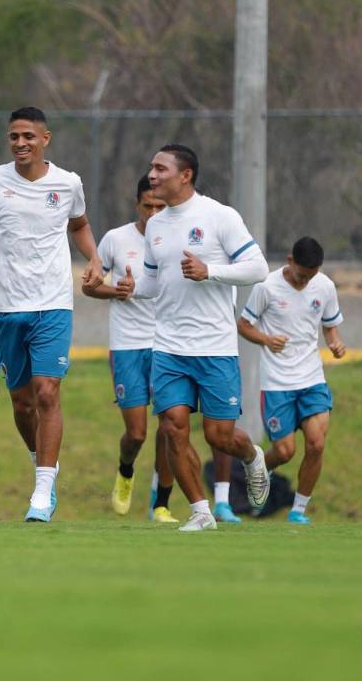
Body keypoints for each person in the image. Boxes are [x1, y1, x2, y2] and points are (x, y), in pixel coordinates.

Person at [118, 144, 272, 532]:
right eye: (151, 167)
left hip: (215, 347)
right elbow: (155, 283)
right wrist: (131, 287)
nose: (152, 175)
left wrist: (211, 271)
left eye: (160, 168)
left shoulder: (220, 216)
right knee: (172, 427)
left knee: (220, 436)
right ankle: (201, 511)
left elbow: (258, 268)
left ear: (185, 175)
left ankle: (252, 456)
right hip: (168, 346)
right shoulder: (155, 225)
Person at [0, 107, 103, 523]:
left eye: (28, 136)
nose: (20, 143)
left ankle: (42, 490)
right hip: (5, 306)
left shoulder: (68, 182)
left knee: (47, 393)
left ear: (46, 139)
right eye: (13, 137)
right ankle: (41, 461)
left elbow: (79, 226)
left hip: (53, 303)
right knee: (23, 404)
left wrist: (93, 258)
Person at [82, 174, 179, 523]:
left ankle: (161, 503)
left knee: (170, 425)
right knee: (137, 432)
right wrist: (116, 291)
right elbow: (90, 287)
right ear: (137, 204)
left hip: (169, 344)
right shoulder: (115, 240)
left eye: (160, 206)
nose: (153, 213)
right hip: (127, 345)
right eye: (147, 206)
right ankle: (126, 470)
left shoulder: (180, 239)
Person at [237, 236, 347, 525]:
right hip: (276, 382)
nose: (304, 282)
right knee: (285, 451)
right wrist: (266, 339)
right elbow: (244, 325)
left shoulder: (324, 286)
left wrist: (335, 344)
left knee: (316, 444)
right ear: (289, 261)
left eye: (311, 276)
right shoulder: (267, 287)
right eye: (300, 275)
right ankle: (257, 468)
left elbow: (330, 328)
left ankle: (298, 510)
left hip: (311, 379)